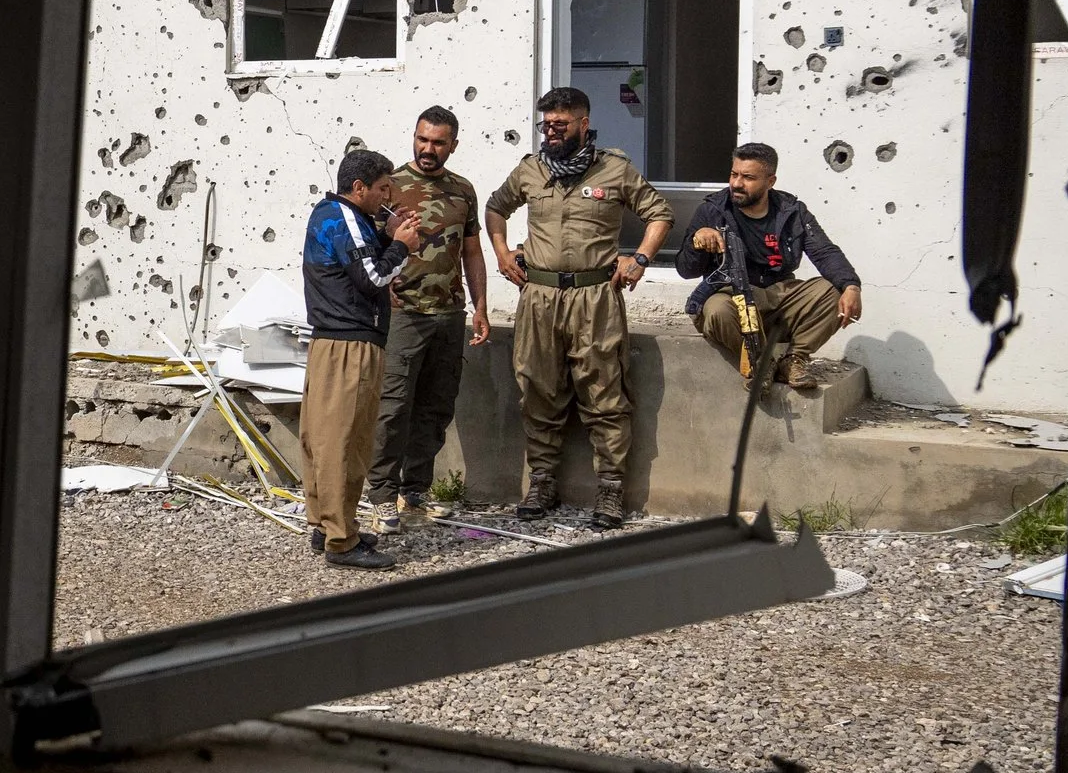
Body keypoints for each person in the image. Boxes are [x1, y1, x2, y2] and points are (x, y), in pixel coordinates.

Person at [483, 87, 675, 530]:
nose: (550, 132)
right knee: (537, 388)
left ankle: (610, 488)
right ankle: (543, 482)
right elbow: (496, 208)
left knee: (604, 392)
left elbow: (659, 213)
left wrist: (640, 258)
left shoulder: (615, 169)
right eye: (545, 125)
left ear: (583, 124)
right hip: (539, 297)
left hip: (595, 298)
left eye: (560, 125)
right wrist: (501, 252)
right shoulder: (531, 171)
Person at [301, 148, 425, 569]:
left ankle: (328, 525)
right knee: (345, 443)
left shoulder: (334, 216)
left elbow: (360, 266)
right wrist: (402, 246)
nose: (388, 196)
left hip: (329, 344)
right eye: (384, 188)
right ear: (359, 188)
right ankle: (342, 541)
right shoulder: (346, 218)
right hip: (350, 347)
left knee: (324, 439)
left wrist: (388, 236)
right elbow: (372, 277)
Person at [367, 107, 490, 519]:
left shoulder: (463, 190)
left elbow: (471, 251)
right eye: (422, 139)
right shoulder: (390, 187)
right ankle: (381, 495)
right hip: (402, 313)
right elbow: (366, 249)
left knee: (436, 407)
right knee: (393, 408)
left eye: (438, 142)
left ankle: (414, 492)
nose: (428, 149)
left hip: (449, 314)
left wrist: (481, 307)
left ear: (453, 145)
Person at [675, 142, 864, 385]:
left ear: (770, 181)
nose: (736, 183)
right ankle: (762, 361)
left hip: (779, 297)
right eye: (734, 174)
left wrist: (851, 286)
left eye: (748, 177)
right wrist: (697, 240)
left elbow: (824, 252)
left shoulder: (792, 211)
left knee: (833, 291)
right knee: (716, 310)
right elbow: (685, 270)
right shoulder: (713, 211)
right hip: (732, 297)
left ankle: (794, 360)